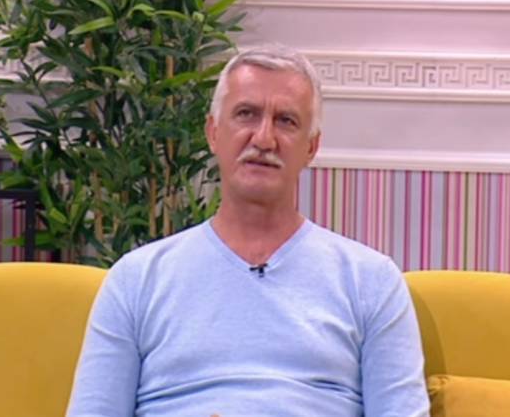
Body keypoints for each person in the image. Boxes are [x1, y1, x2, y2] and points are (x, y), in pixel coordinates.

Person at [67, 45, 429, 417]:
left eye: (286, 121)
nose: (264, 139)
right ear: (213, 132)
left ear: (311, 147)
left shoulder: (371, 281)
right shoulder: (136, 279)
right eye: (246, 114)